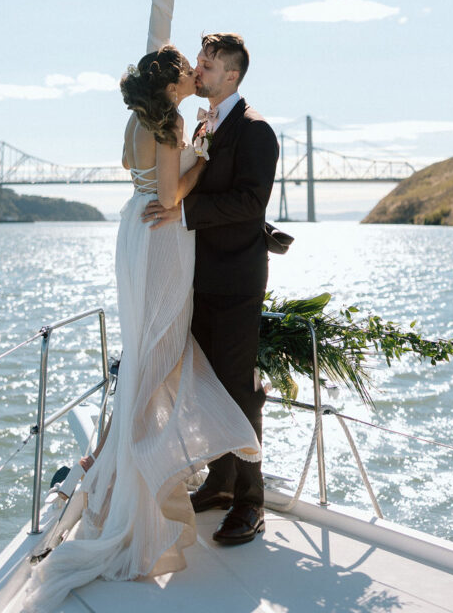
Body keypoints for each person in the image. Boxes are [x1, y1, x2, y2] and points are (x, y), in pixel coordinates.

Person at [11, 45, 260, 613]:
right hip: (164, 238)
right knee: (159, 353)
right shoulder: (173, 121)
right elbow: (171, 196)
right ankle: (139, 485)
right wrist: (197, 159)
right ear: (173, 82)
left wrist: (177, 161)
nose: (196, 72)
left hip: (132, 232)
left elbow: (133, 170)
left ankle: (123, 465)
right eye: (189, 68)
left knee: (146, 351)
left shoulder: (138, 120)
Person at [143, 33, 279, 546]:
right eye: (199, 62)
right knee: (207, 386)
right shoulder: (202, 124)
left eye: (207, 63)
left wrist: (186, 211)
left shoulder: (256, 131)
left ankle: (252, 502)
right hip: (198, 275)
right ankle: (221, 482)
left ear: (233, 75)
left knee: (238, 390)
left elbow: (250, 202)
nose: (197, 69)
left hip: (237, 281)